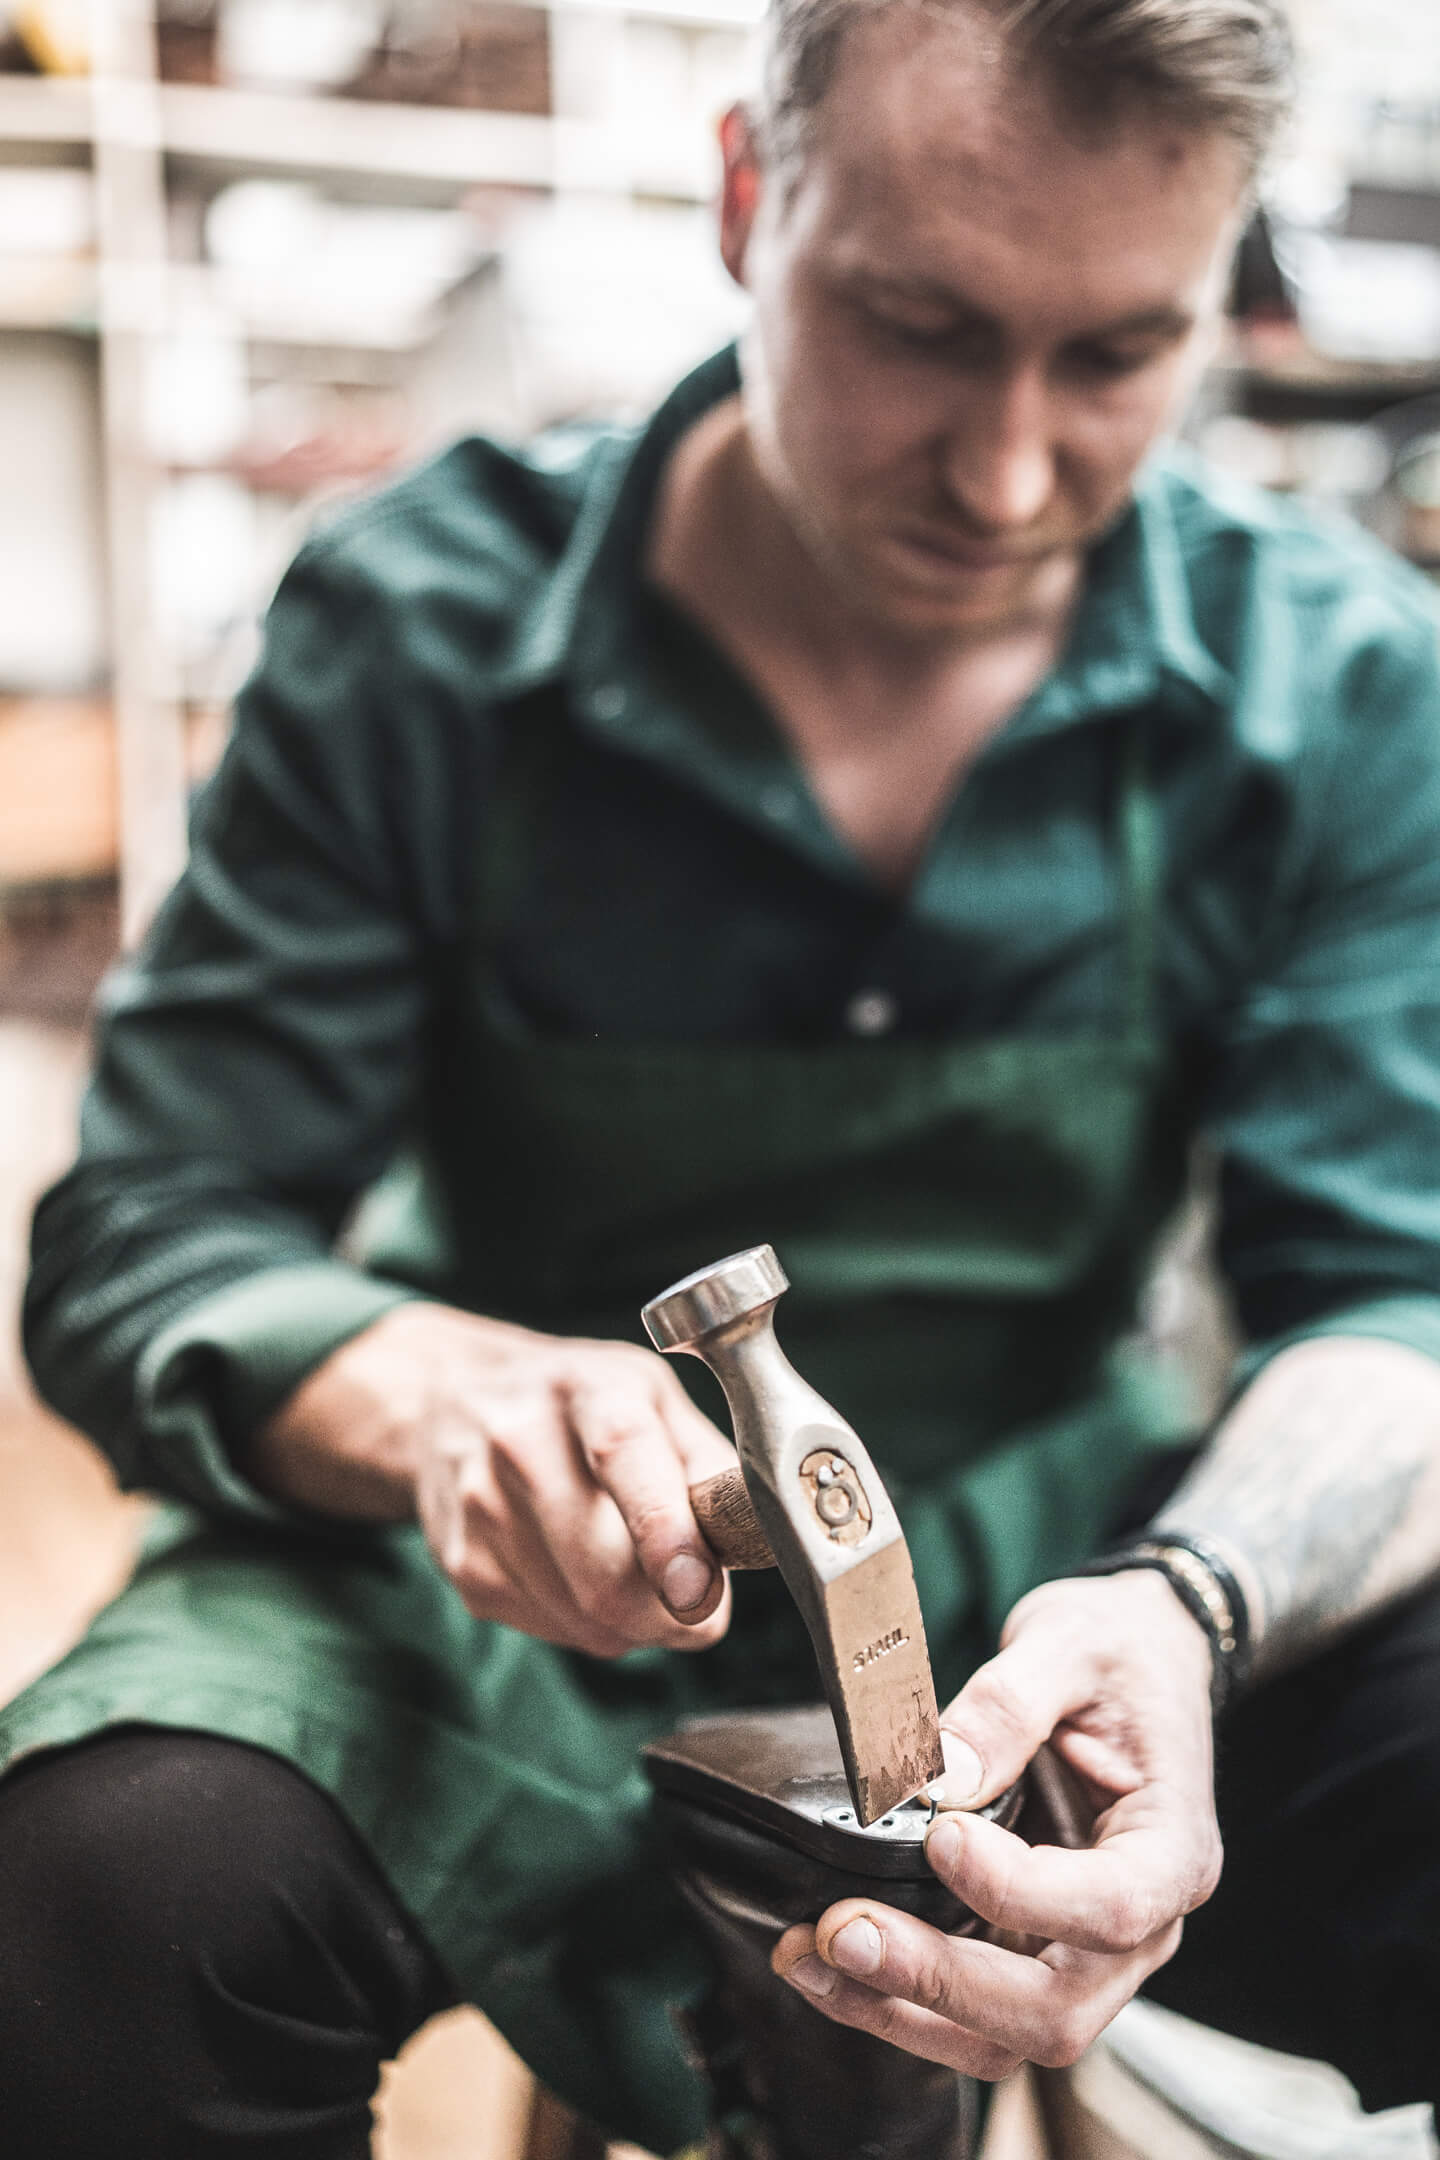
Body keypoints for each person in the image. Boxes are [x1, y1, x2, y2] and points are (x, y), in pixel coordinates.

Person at [5, 0, 1440, 2150]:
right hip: (488, 1562)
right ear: (750, 199)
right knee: (112, 1892)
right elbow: (144, 1237)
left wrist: (1193, 1605)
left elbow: (1395, 1304)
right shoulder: (418, 625)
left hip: (1082, 1536)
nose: (1010, 469)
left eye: (1117, 356)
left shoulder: (1334, 678)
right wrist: (442, 1405)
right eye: (920, 327)